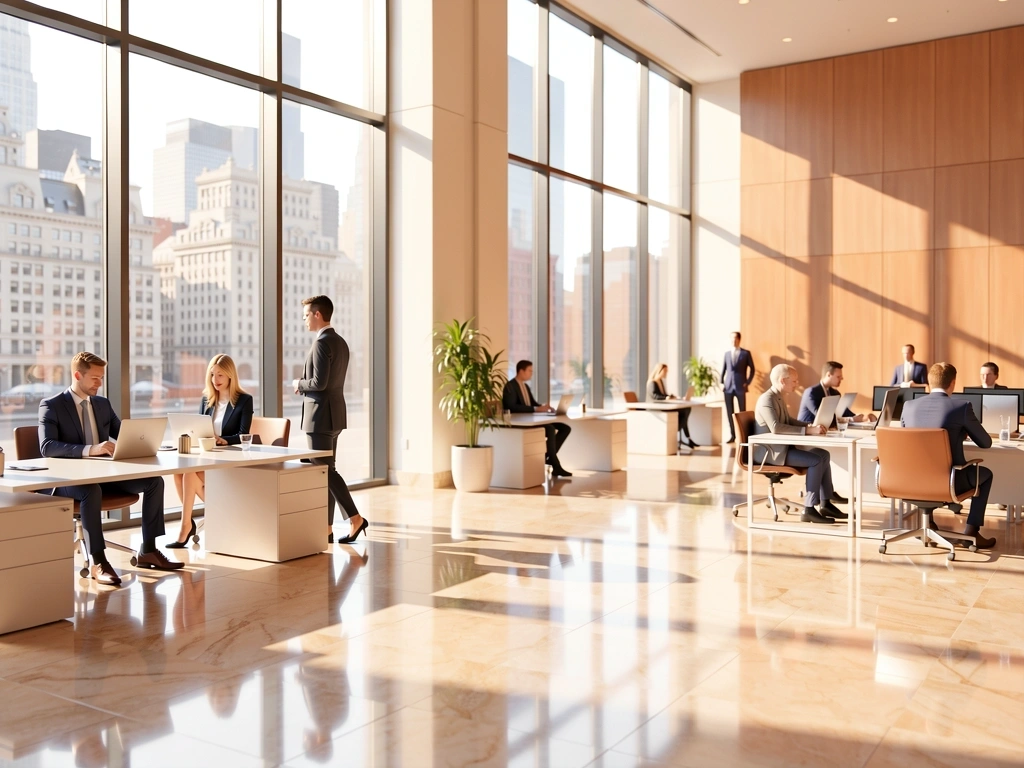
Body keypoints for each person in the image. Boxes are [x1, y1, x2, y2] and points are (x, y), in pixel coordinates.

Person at [38, 352, 183, 586]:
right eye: (95, 378)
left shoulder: (102, 404)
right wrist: (90, 449)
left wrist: (143, 443)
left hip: (102, 476)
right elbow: (47, 447)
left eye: (102, 378)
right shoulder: (52, 405)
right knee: (91, 490)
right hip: (66, 481)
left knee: (154, 482)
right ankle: (98, 560)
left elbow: (122, 433)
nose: (100, 383)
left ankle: (148, 550)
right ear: (77, 375)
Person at [293, 295, 367, 544]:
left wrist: (298, 384)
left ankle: (355, 518)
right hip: (334, 417)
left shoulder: (321, 344)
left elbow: (318, 383)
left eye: (306, 315)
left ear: (316, 314)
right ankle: (326, 529)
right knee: (324, 471)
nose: (303, 320)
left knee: (325, 471)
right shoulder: (341, 342)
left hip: (320, 418)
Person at [901, 363, 997, 549]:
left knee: (925, 470)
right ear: (953, 383)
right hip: (949, 482)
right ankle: (971, 531)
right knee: (986, 474)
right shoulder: (961, 407)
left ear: (929, 382)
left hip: (909, 482)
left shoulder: (909, 406)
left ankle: (928, 523)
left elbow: (909, 442)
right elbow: (985, 442)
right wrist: (961, 432)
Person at [167, 354, 254, 548]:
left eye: (221, 375)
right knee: (178, 474)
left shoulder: (244, 401)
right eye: (213, 375)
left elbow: (243, 434)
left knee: (189, 474)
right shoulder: (207, 399)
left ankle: (185, 526)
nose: (216, 380)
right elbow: (199, 427)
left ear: (230, 376)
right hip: (207, 459)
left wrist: (223, 441)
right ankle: (202, 518)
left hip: (229, 461)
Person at [754, 364, 846, 525]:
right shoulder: (767, 399)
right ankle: (809, 509)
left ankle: (825, 503)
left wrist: (809, 427)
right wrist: (808, 432)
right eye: (794, 381)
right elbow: (776, 427)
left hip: (781, 449)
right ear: (783, 381)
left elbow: (788, 421)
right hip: (771, 453)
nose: (797, 384)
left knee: (823, 454)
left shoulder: (779, 397)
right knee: (816, 460)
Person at [502, 360, 572, 477]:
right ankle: (556, 465)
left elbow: (532, 404)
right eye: (529, 371)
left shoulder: (525, 386)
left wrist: (543, 407)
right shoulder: (510, 386)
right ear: (521, 371)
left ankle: (547, 457)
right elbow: (512, 406)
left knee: (565, 428)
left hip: (530, 419)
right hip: (522, 422)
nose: (531, 373)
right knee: (549, 429)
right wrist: (536, 409)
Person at [797, 361, 876, 425]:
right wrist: (851, 419)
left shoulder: (835, 393)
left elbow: (845, 412)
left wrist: (863, 417)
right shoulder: (811, 392)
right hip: (807, 434)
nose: (842, 378)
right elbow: (822, 417)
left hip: (824, 432)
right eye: (838, 377)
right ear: (828, 375)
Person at [646, 363, 697, 449]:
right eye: (665, 371)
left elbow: (663, 394)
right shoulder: (652, 382)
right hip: (656, 408)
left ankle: (683, 434)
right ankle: (678, 432)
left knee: (686, 409)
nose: (666, 373)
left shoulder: (660, 381)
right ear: (659, 371)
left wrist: (672, 396)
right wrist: (667, 397)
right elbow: (655, 396)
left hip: (663, 406)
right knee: (684, 411)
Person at [722, 331, 755, 443]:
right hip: (728, 387)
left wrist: (748, 382)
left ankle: (743, 435)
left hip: (740, 386)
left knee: (742, 412)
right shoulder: (727, 354)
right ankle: (732, 435)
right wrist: (722, 382)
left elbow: (752, 369)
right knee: (729, 411)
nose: (733, 340)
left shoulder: (745, 353)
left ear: (739, 339)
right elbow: (724, 370)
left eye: (735, 338)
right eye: (731, 338)